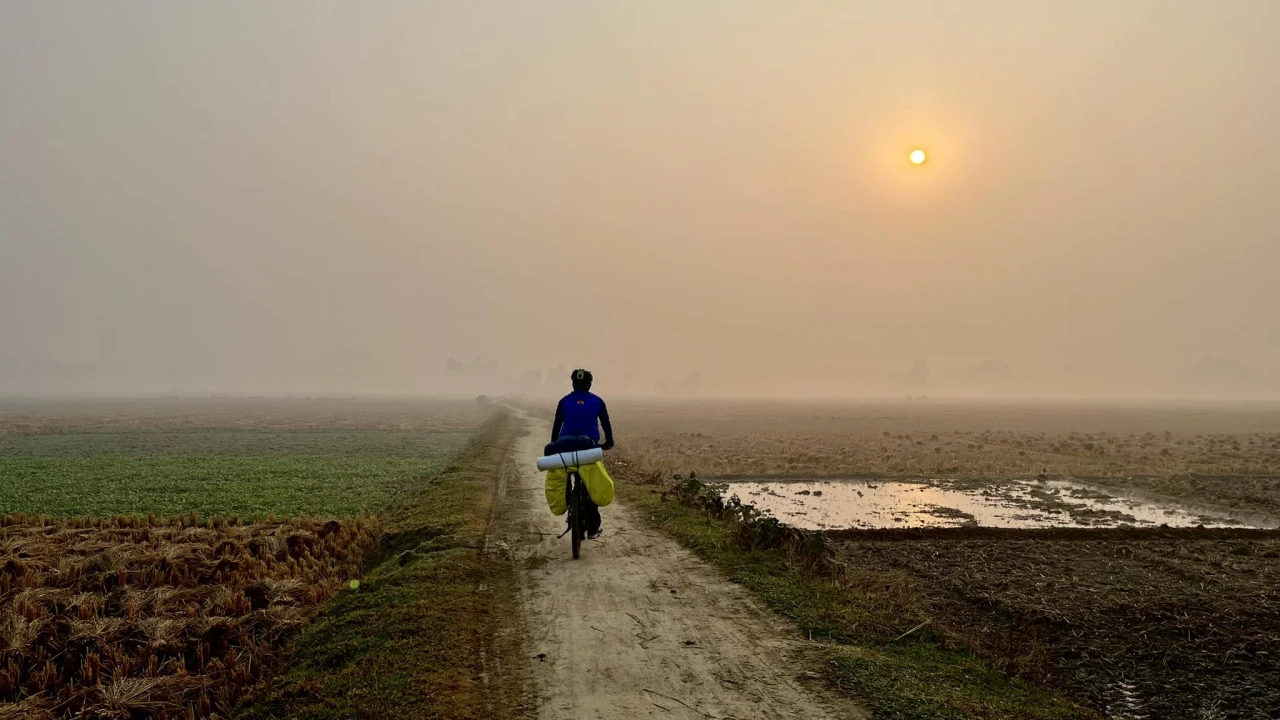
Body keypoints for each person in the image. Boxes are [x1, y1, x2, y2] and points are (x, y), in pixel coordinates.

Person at [550, 368, 614, 539]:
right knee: (591, 484)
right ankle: (593, 528)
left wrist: (554, 443)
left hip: (565, 445)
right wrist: (609, 442)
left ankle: (568, 499)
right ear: (589, 384)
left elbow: (556, 426)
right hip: (588, 446)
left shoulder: (564, 401)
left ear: (573, 383)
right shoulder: (598, 401)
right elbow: (606, 424)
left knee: (565, 475)